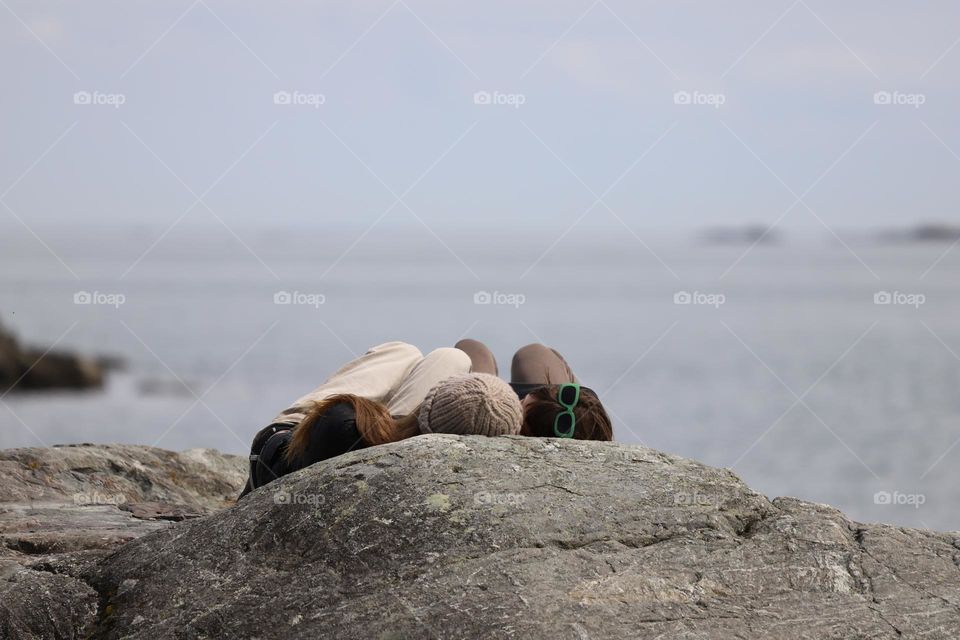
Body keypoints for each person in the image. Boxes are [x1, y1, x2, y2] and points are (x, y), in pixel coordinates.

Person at [240, 341, 471, 498]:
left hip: (284, 450)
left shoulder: (338, 419)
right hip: (399, 437)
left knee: (403, 352)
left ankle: (394, 422)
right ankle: (398, 423)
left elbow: (335, 419)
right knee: (453, 358)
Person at [454, 340, 613, 441]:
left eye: (520, 402)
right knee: (534, 353)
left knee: (469, 350)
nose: (515, 398)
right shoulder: (584, 415)